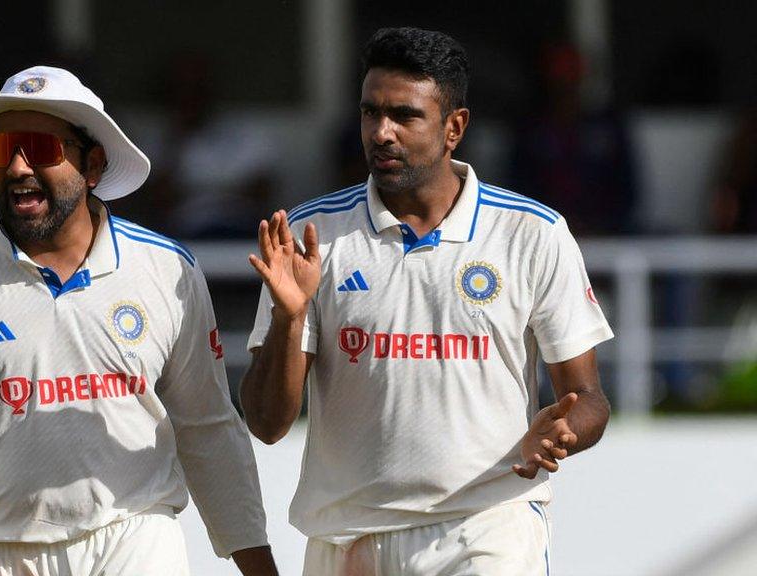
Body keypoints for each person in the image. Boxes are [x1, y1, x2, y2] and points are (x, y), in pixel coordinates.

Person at [0, 66, 278, 576]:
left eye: (39, 148)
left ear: (93, 164)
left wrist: (259, 566)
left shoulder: (167, 269)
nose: (16, 167)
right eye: (3, 148)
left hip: (135, 539)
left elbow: (207, 427)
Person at [240, 28, 613, 575]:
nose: (381, 133)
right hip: (350, 535)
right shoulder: (311, 233)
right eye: (370, 113)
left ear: (454, 127)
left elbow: (588, 398)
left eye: (404, 115)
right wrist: (288, 317)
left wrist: (562, 431)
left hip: (485, 524)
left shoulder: (531, 232)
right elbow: (267, 424)